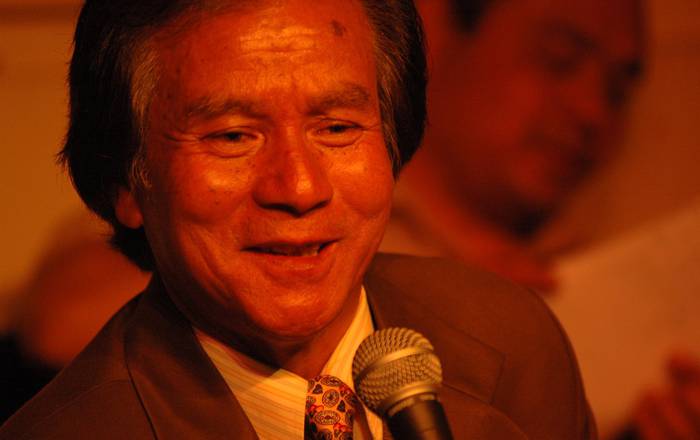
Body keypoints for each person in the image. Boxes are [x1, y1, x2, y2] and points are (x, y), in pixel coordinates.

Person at [0, 0, 595, 438]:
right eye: (233, 136)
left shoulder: (511, 337)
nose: (300, 188)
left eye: (336, 128)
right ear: (127, 181)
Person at [380, 0, 646, 291]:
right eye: (560, 57)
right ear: (431, 31)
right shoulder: (361, 254)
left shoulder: (600, 274)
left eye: (617, 90)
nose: (593, 110)